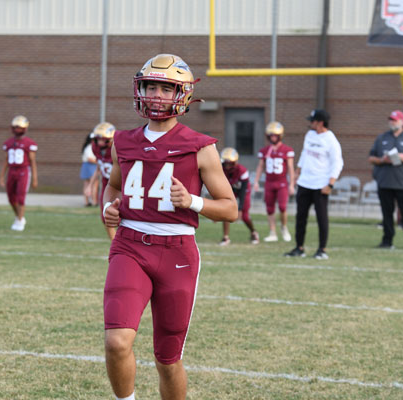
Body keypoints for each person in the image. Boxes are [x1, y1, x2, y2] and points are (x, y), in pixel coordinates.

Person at [102, 54, 237, 400]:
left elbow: (230, 209)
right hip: (130, 246)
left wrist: (192, 201)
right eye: (151, 87)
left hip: (177, 252)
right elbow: (113, 187)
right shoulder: (122, 141)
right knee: (116, 342)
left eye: (166, 89)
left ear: (183, 95)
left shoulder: (200, 147)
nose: (156, 95)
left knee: (168, 359)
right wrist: (108, 208)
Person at [285, 109, 343, 260]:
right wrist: (297, 173)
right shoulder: (309, 135)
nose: (310, 123)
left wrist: (330, 184)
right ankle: (299, 247)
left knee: (321, 218)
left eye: (312, 121)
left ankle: (322, 249)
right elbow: (304, 154)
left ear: (320, 123)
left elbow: (337, 163)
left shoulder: (331, 140)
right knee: (300, 217)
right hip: (305, 183)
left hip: (320, 185)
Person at [368, 110, 403, 249]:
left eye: (395, 120)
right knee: (387, 214)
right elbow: (371, 158)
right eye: (391, 120)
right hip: (385, 182)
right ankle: (387, 241)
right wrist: (382, 160)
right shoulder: (382, 138)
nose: (392, 122)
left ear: (402, 122)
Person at [254, 121, 295, 242]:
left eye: (275, 135)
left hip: (282, 183)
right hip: (269, 183)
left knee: (282, 207)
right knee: (270, 208)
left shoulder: (287, 150)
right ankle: (272, 232)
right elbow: (260, 166)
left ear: (280, 136)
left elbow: (290, 168)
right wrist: (256, 181)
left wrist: (292, 184)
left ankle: (284, 227)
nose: (273, 138)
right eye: (271, 135)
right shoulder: (265, 150)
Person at [0, 115, 38, 231]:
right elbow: (6, 160)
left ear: (24, 129)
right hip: (12, 171)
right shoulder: (8, 143)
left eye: (19, 128)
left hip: (23, 171)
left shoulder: (29, 143)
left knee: (21, 197)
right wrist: (2, 176)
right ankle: (18, 216)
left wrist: (35, 178)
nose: (17, 130)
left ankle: (20, 220)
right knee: (11, 198)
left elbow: (32, 161)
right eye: (15, 127)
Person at [219, 147, 259, 246]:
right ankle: (225, 237)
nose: (227, 166)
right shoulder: (220, 169)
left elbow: (243, 192)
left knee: (245, 216)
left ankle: (253, 232)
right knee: (225, 212)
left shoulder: (242, 171)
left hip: (243, 191)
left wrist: (240, 209)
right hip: (230, 190)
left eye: (230, 163)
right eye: (226, 163)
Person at [91, 121, 116, 240]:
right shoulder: (95, 147)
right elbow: (99, 166)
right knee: (105, 217)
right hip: (107, 184)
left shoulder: (117, 149)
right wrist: (91, 184)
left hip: (121, 185)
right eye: (98, 139)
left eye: (103, 139)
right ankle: (115, 244)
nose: (100, 142)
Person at [80, 132, 99, 207]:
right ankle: (94, 202)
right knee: (94, 184)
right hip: (91, 166)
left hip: (86, 166)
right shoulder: (90, 147)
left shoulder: (86, 147)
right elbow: (90, 159)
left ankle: (87, 202)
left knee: (86, 184)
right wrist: (99, 162)